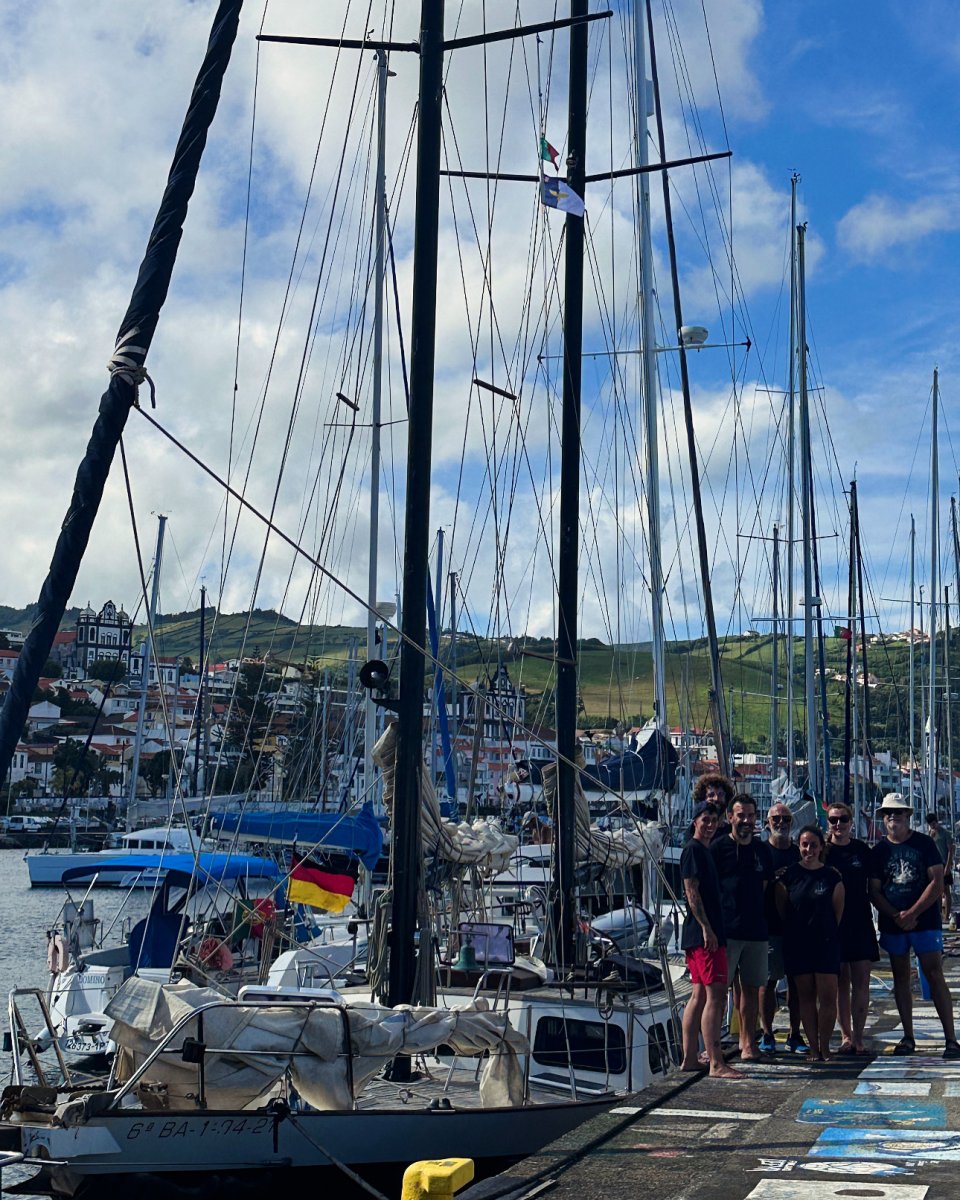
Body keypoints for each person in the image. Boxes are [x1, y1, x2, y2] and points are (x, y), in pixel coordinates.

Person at [869, 793, 960, 1058]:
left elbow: (937, 881)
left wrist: (913, 912)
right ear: (883, 818)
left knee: (934, 973)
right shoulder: (879, 851)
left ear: (908, 816)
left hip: (925, 921)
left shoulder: (924, 843)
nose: (893, 817)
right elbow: (873, 891)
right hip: (893, 922)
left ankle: (951, 1040)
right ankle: (908, 1037)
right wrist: (897, 915)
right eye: (888, 813)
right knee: (900, 976)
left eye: (898, 813)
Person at [679, 800, 744, 1079]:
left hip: (698, 933)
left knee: (698, 994)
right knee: (715, 995)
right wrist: (707, 928)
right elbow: (691, 892)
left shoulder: (702, 851)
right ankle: (716, 1062)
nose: (709, 825)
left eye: (714, 821)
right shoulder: (693, 850)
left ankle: (690, 1058)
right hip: (705, 933)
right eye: (705, 819)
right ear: (695, 821)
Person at [710, 793, 772, 1062]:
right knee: (718, 993)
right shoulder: (718, 848)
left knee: (751, 989)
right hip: (726, 932)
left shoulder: (761, 850)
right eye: (741, 815)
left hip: (755, 931)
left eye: (750, 815)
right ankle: (712, 1050)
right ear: (730, 817)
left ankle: (748, 1043)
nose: (746, 821)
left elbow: (766, 885)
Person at [776, 824, 844, 1062]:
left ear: (821, 847)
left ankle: (825, 1045)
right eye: (804, 844)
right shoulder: (788, 875)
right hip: (798, 944)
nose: (808, 849)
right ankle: (813, 1048)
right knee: (805, 997)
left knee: (827, 997)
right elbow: (783, 909)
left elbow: (837, 913)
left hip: (826, 943)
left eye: (813, 845)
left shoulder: (832, 876)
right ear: (799, 846)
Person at [826, 800, 879, 1055]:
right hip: (834, 925)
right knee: (840, 982)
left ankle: (859, 1036)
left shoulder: (862, 851)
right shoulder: (823, 852)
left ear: (851, 822)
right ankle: (845, 1036)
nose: (838, 824)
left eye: (843, 819)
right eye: (833, 820)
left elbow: (876, 887)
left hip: (860, 922)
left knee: (861, 980)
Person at [758, 804, 806, 1054]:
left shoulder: (799, 853)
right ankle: (767, 1034)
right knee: (768, 983)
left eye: (786, 818)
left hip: (796, 929)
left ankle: (795, 1034)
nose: (781, 822)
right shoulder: (761, 852)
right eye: (776, 818)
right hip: (769, 928)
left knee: (796, 984)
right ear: (768, 822)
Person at [925, 812, 955, 929]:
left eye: (933, 824)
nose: (933, 826)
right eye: (930, 825)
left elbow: (950, 851)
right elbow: (928, 847)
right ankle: (938, 915)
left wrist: (948, 866)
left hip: (944, 863)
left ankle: (946, 916)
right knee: (936, 891)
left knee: (946, 890)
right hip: (934, 864)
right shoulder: (930, 834)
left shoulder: (945, 833)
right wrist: (931, 837)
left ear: (936, 822)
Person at [693, 774, 735, 841]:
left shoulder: (732, 832)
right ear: (703, 799)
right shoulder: (694, 831)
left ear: (726, 799)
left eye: (720, 794)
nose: (716, 798)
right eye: (711, 795)